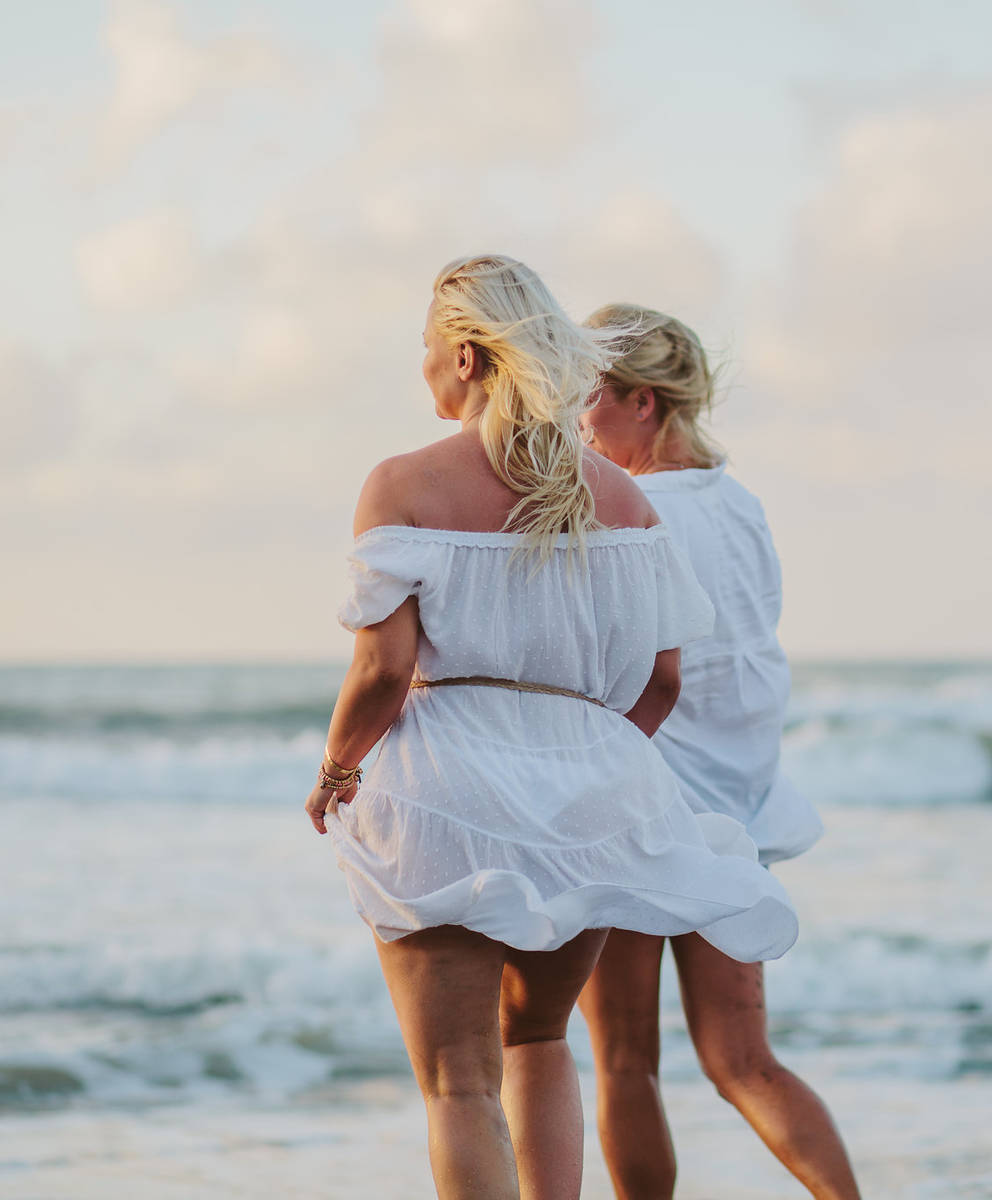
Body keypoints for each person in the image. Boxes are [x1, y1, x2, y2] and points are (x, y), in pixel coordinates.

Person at [305, 258, 798, 1200]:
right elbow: (662, 681)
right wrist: (586, 759)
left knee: (458, 1080)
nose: (423, 371)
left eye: (425, 351)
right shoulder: (622, 497)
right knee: (538, 1040)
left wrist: (336, 768)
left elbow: (382, 670)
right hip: (590, 785)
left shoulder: (404, 483)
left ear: (463, 354)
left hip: (445, 789)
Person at [576, 304, 859, 1200]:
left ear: (643, 402)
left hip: (647, 807)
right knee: (744, 1061)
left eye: (588, 399)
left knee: (626, 1063)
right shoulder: (741, 506)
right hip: (739, 807)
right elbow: (747, 652)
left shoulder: (627, 510)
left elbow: (610, 663)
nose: (575, 420)